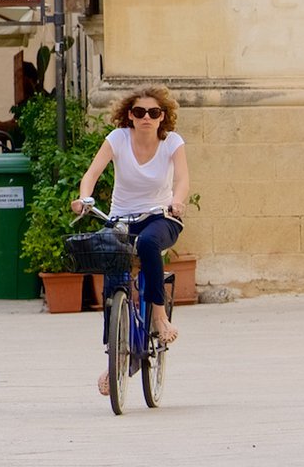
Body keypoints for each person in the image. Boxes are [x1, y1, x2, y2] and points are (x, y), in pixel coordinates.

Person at [74, 85, 192, 394]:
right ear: (129, 115)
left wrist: (177, 202)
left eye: (153, 113)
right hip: (122, 217)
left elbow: (182, 179)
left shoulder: (172, 143)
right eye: (139, 112)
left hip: (160, 216)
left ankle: (158, 316)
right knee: (114, 277)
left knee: (150, 244)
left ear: (162, 116)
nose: (146, 118)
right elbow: (92, 174)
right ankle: (114, 357)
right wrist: (84, 198)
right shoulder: (118, 139)